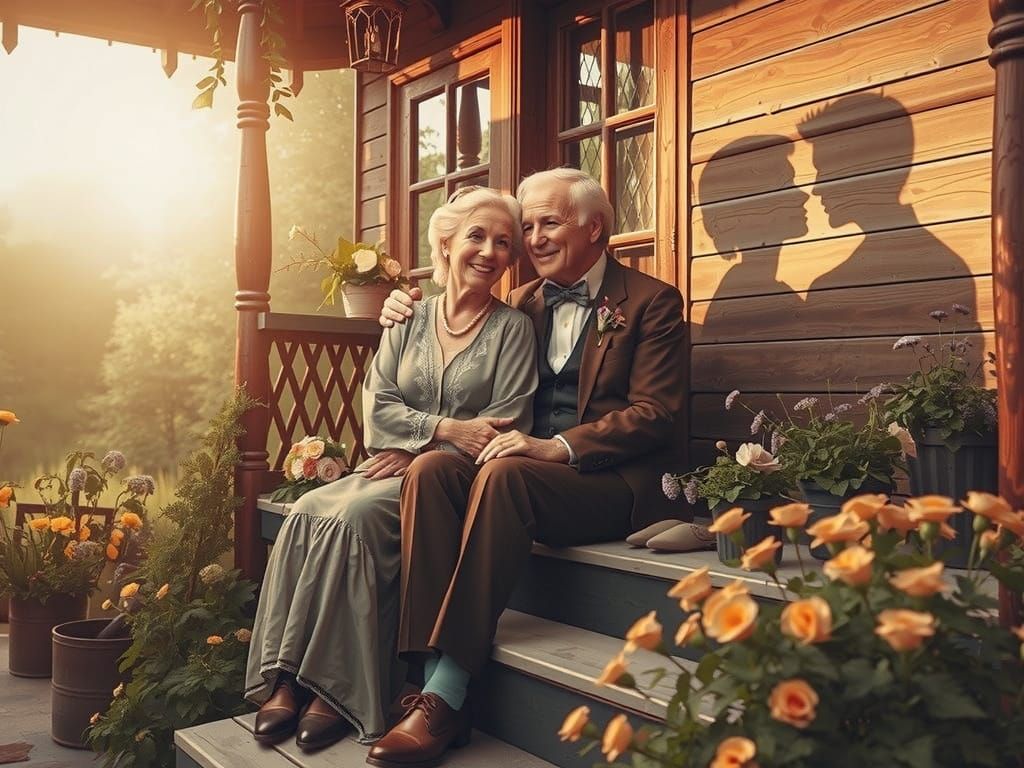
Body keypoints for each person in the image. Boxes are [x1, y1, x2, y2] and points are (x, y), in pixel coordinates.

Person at [368, 167, 687, 768]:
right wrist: (399, 307)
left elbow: (656, 414)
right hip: (521, 474)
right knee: (434, 471)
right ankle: (425, 672)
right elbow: (452, 321)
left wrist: (555, 447)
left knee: (505, 474)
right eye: (529, 226)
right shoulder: (522, 304)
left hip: (612, 484)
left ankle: (448, 690)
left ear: (595, 228)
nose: (532, 238)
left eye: (548, 223)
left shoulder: (651, 302)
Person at [244, 186, 537, 752]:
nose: (490, 250)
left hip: (456, 482)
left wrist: (428, 443)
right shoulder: (406, 316)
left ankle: (334, 689)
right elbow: (375, 406)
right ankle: (285, 677)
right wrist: (443, 427)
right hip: (391, 464)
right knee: (307, 510)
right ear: (446, 244)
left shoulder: (513, 330)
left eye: (503, 242)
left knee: (353, 518)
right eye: (477, 235)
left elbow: (501, 426)